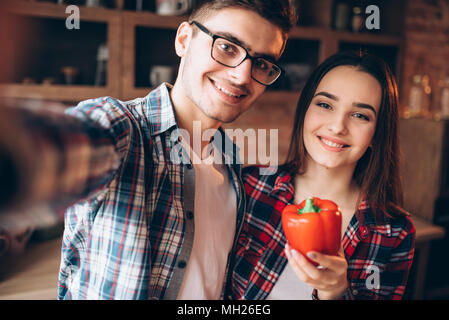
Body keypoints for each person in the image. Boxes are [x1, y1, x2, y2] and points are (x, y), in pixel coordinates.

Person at [0, 0, 297, 299]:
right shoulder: (121, 128)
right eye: (227, 47)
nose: (242, 76)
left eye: (260, 64)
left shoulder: (231, 160)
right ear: (184, 40)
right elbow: (45, 152)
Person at [228, 52, 416, 300]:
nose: (338, 126)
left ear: (378, 133)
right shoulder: (249, 186)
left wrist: (336, 292)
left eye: (360, 115)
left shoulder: (395, 232)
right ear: (305, 110)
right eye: (325, 105)